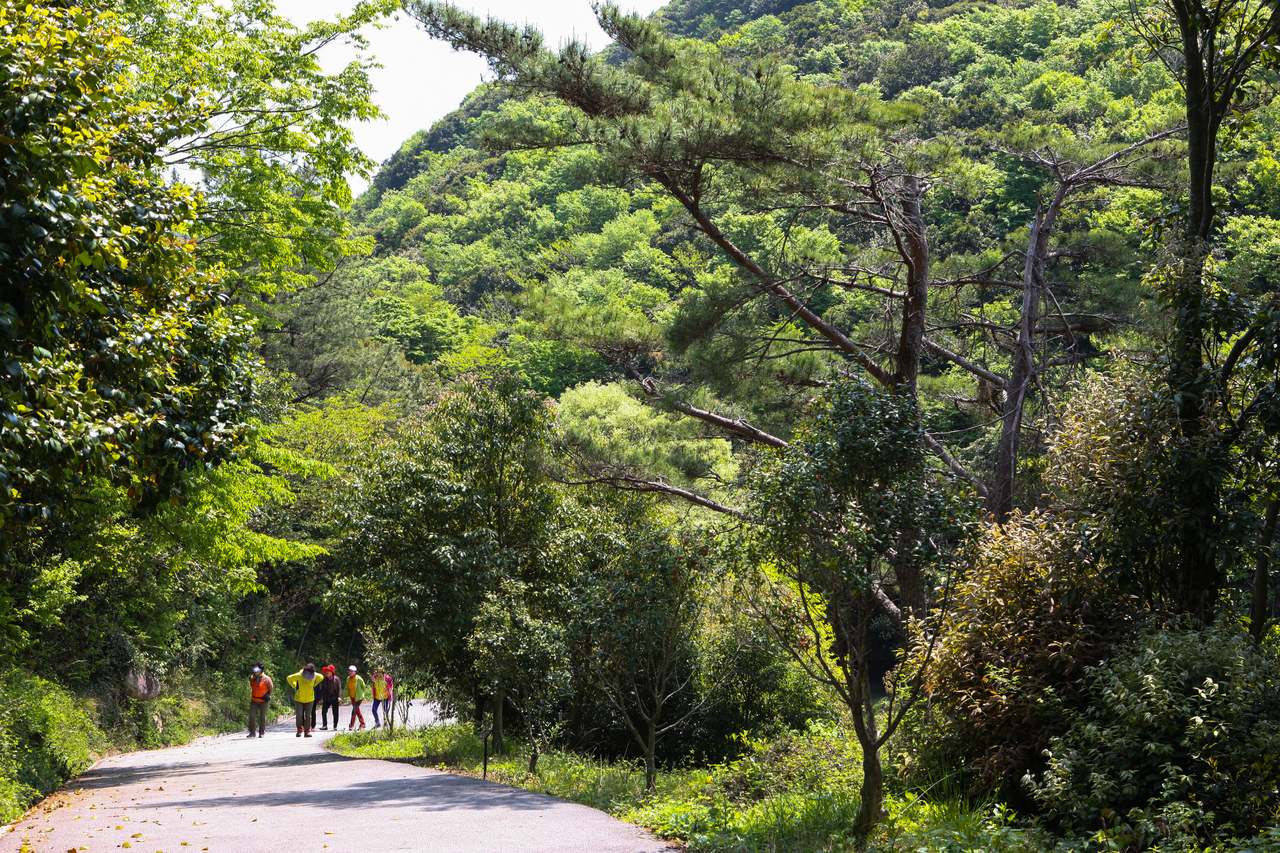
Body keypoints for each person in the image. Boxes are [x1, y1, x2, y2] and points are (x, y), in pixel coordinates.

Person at [287, 662, 322, 737]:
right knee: (299, 715)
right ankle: (299, 729)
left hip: (310, 699)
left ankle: (307, 731)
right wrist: (295, 686)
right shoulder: (299, 675)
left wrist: (314, 684)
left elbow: (321, 677)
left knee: (308, 716)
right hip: (299, 698)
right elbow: (289, 678)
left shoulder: (315, 676)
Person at [247, 662, 273, 738]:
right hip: (254, 700)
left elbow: (270, 688)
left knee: (262, 717)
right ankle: (252, 732)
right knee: (252, 715)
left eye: (257, 670)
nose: (255, 672)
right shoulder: (252, 678)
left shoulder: (267, 678)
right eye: (254, 670)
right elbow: (252, 686)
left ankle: (261, 732)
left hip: (264, 701)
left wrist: (267, 695)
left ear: (261, 670)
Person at [318, 665, 342, 731]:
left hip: (334, 697)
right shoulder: (325, 680)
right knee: (323, 711)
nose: (327, 672)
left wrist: (339, 696)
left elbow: (339, 688)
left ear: (332, 672)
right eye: (327, 671)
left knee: (335, 712)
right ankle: (324, 725)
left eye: (329, 671)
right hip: (326, 698)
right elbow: (322, 689)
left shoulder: (336, 679)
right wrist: (319, 698)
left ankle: (335, 726)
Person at [345, 664, 367, 730]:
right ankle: (362, 723)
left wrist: (361, 694)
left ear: (355, 672)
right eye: (349, 671)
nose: (350, 672)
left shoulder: (359, 679)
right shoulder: (348, 679)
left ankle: (351, 725)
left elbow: (364, 687)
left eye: (352, 671)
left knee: (354, 711)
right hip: (352, 697)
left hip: (358, 697)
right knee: (357, 711)